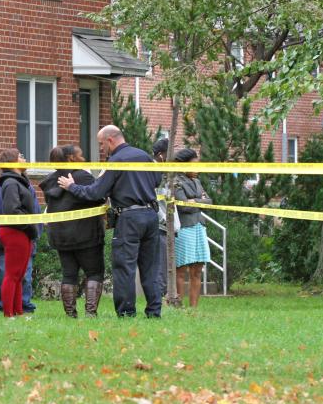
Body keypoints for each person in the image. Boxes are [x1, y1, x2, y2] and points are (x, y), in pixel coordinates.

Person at [58, 125, 163, 318]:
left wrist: (72, 186)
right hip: (151, 216)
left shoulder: (115, 161)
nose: (101, 148)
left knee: (124, 267)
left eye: (101, 144)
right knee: (151, 267)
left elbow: (95, 192)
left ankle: (126, 313)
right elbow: (157, 181)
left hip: (129, 219)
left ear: (110, 140)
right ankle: (154, 312)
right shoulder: (144, 156)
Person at [39, 145, 105, 318]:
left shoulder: (51, 180)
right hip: (86, 235)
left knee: (69, 275)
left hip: (61, 236)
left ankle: (70, 314)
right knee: (94, 272)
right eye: (80, 155)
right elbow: (97, 197)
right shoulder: (82, 176)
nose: (83, 158)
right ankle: (91, 313)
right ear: (70, 158)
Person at [0, 148, 36, 318]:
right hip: (15, 232)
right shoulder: (11, 183)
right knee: (12, 274)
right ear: (12, 162)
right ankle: (8, 314)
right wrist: (29, 225)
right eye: (20, 156)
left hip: (23, 232)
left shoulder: (20, 181)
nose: (23, 158)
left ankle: (18, 311)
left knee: (19, 275)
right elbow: (12, 210)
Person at [172, 148, 212, 307]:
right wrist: (199, 200)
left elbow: (209, 201)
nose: (198, 169)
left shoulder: (197, 181)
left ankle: (193, 309)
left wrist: (195, 201)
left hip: (199, 227)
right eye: (194, 165)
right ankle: (178, 307)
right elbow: (183, 207)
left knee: (197, 270)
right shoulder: (175, 181)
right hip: (183, 228)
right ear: (183, 164)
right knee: (181, 270)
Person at [152, 138, 170, 302]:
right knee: (160, 265)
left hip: (166, 225)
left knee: (163, 264)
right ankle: (159, 299)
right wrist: (163, 219)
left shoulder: (165, 172)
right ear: (161, 155)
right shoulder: (154, 172)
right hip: (158, 225)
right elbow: (153, 199)